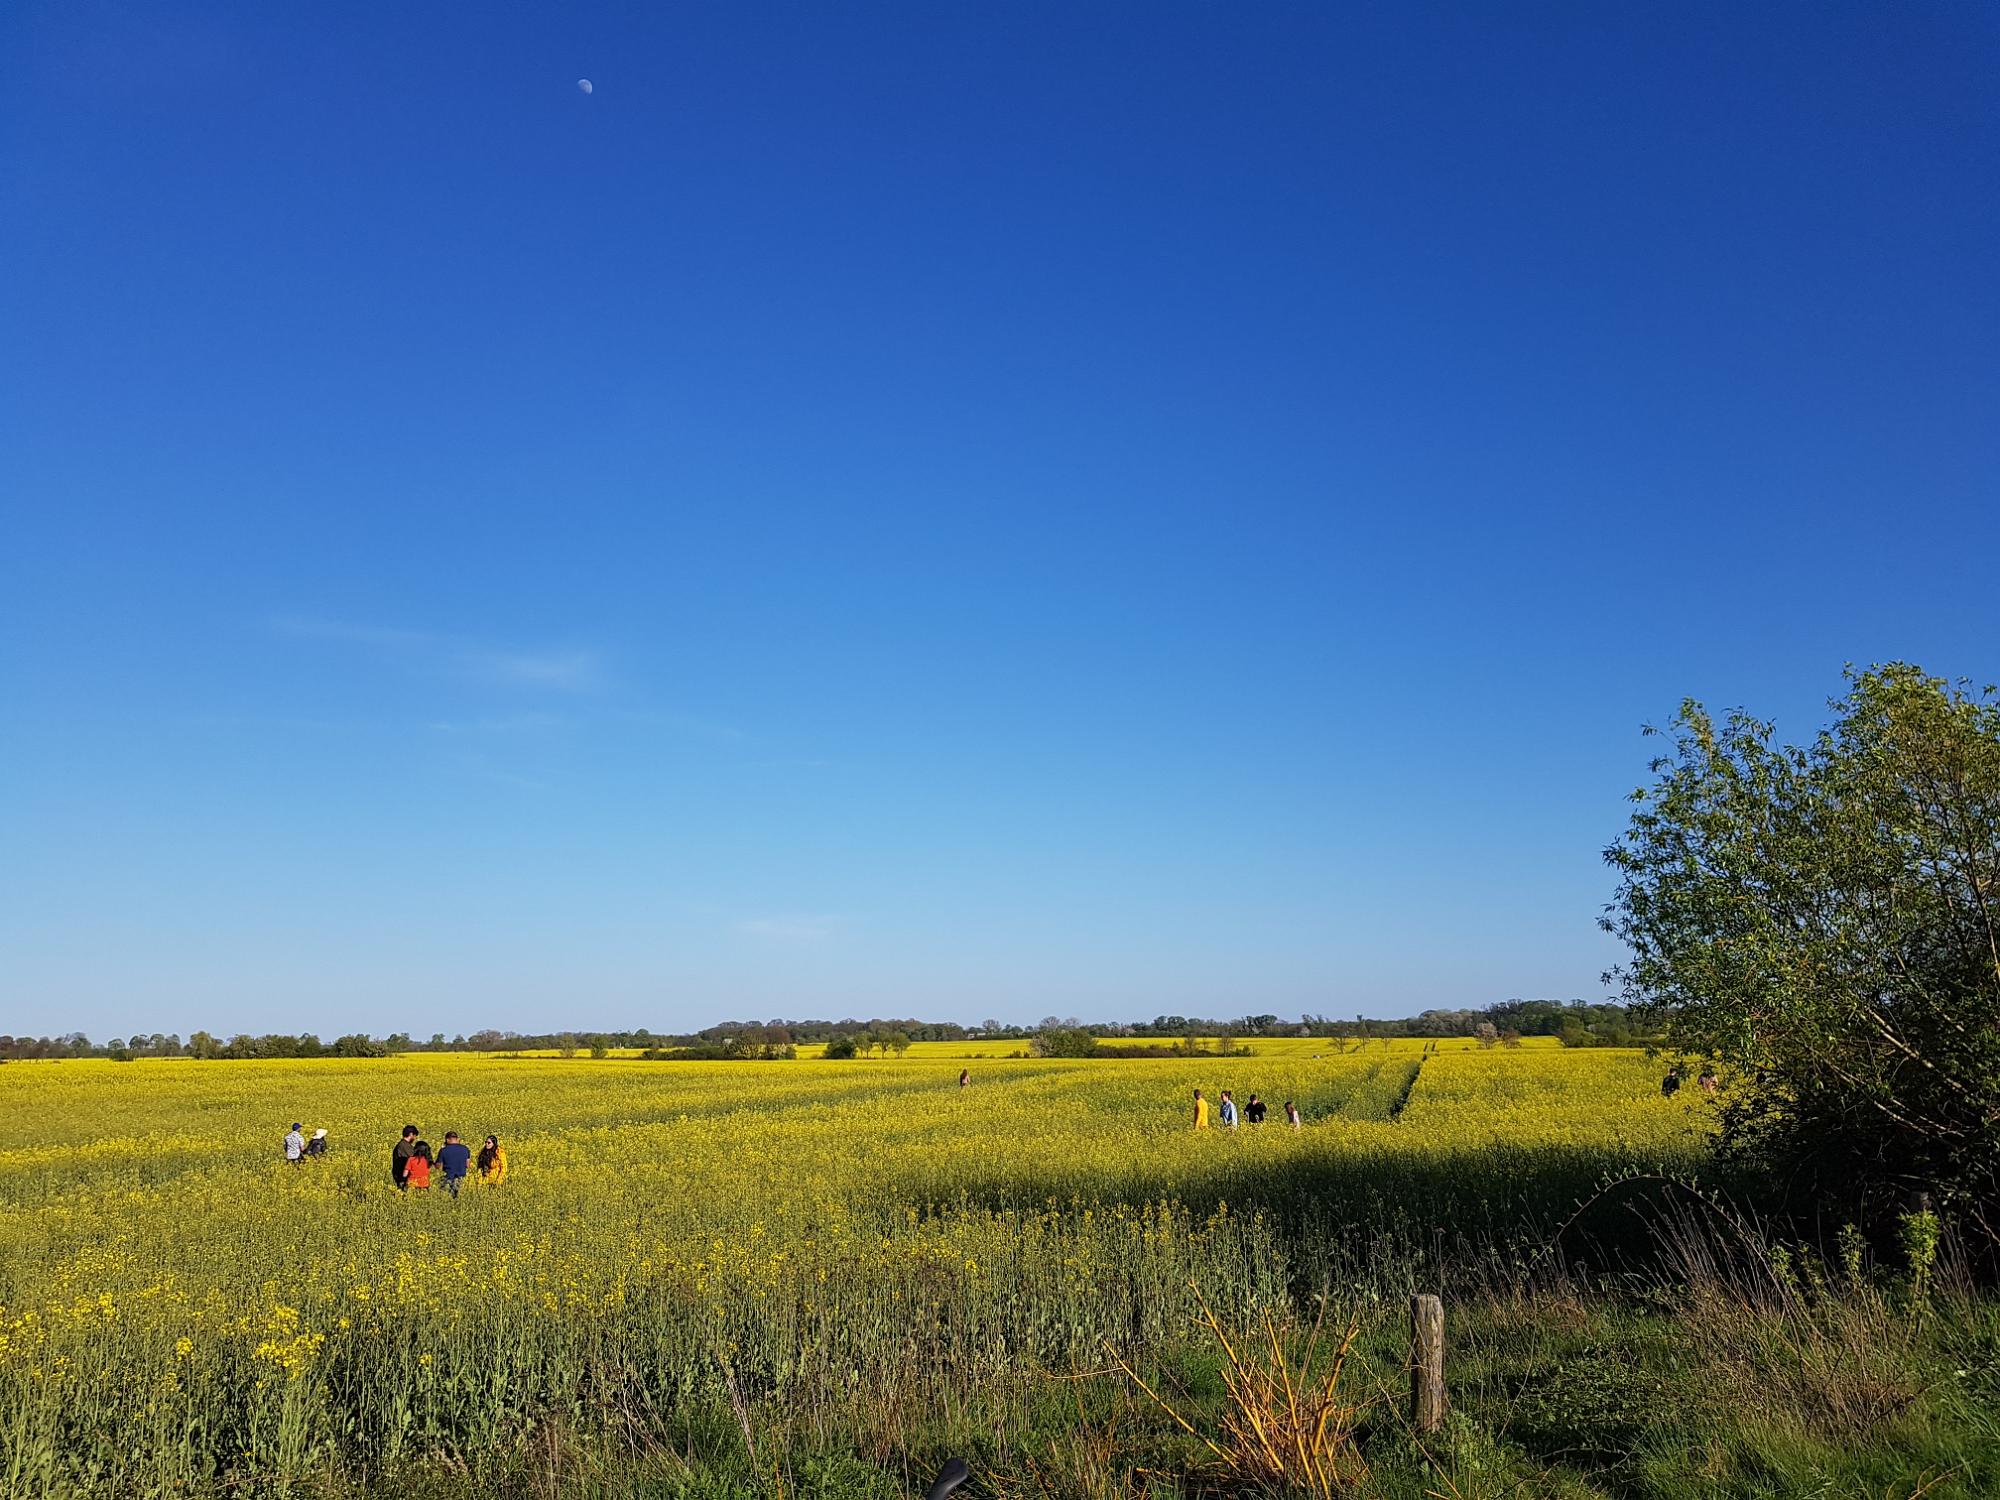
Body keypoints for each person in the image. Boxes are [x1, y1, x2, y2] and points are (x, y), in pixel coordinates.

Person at [437, 1131, 471, 1197]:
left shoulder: (443, 1150)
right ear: (457, 1139)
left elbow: (438, 1166)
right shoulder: (465, 1149)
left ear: (447, 1139)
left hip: (448, 1178)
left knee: (445, 1197)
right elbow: (467, 1165)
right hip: (462, 1179)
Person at [392, 1124, 419, 1189]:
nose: (415, 1138)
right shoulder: (404, 1145)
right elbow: (415, 1158)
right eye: (414, 1136)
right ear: (411, 1134)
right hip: (402, 1177)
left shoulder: (402, 1145)